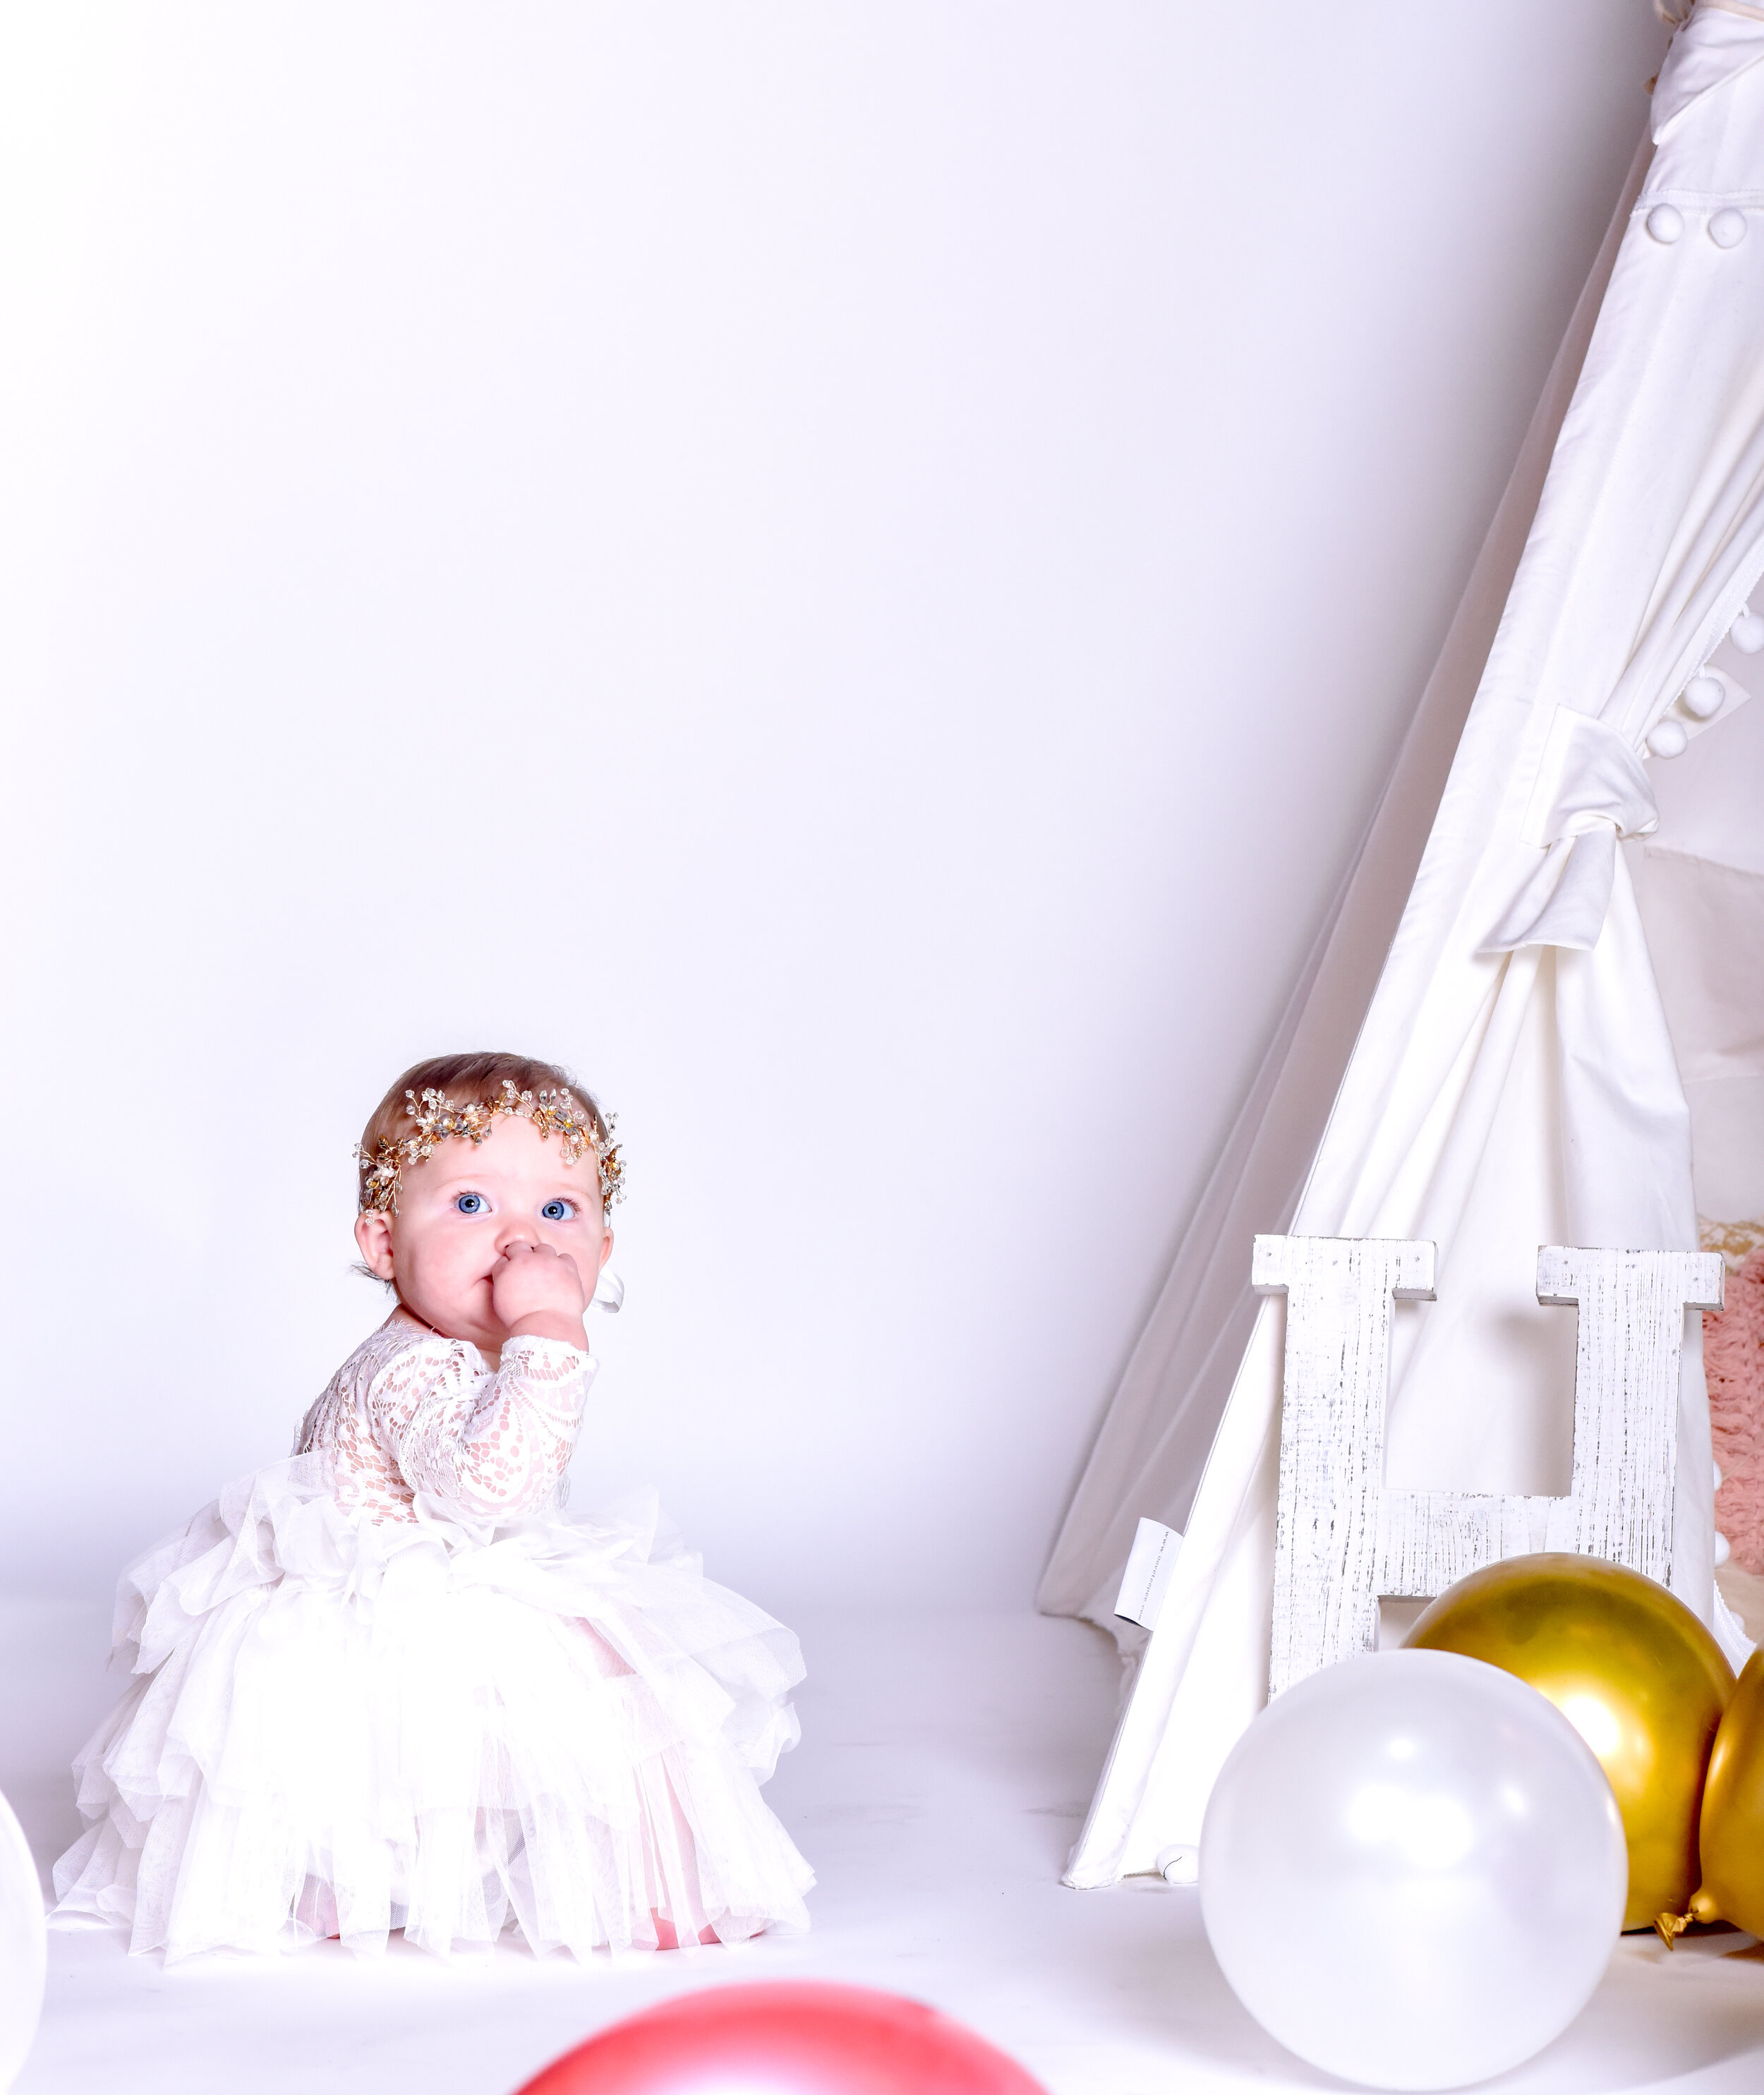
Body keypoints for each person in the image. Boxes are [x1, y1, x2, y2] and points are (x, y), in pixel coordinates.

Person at [50, 1051, 814, 1963]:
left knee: (579, 1668)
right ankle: (654, 1886)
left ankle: (359, 1880)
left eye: (558, 1212)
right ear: (383, 1243)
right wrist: (550, 1334)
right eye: (471, 1203)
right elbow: (491, 1486)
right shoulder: (412, 1366)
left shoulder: (446, 1351)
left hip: (402, 1610)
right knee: (612, 1669)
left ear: (602, 1253)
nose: (520, 1241)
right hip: (384, 1622)